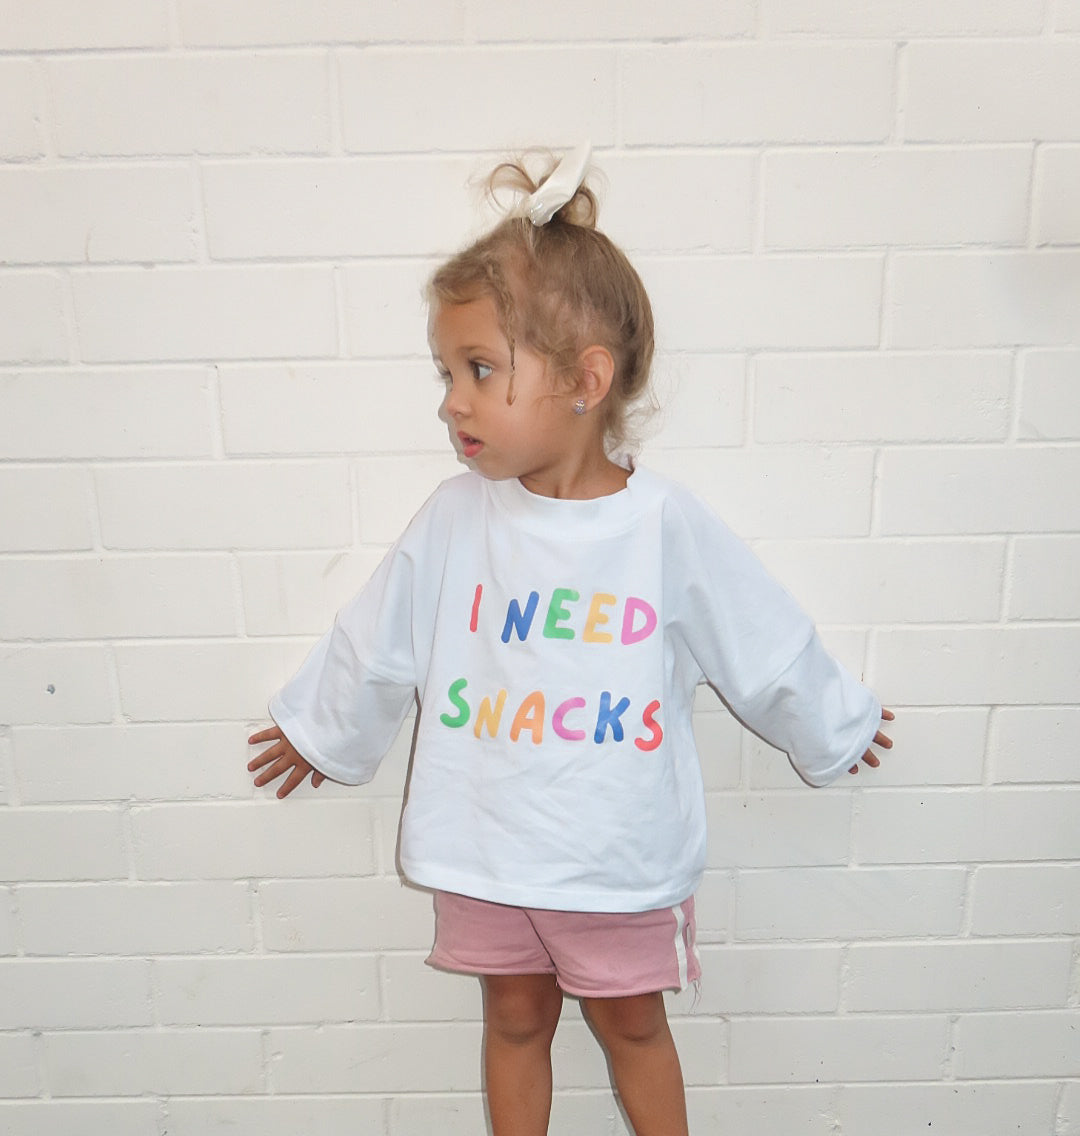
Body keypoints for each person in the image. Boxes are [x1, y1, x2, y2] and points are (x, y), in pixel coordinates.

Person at [248, 143, 894, 1136]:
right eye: (447, 371)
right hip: (490, 843)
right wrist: (323, 730)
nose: (452, 399)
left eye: (479, 369)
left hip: (613, 850)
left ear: (586, 379)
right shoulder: (456, 520)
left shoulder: (660, 526)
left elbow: (757, 634)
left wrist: (832, 723)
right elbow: (378, 636)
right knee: (513, 1013)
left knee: (631, 1020)